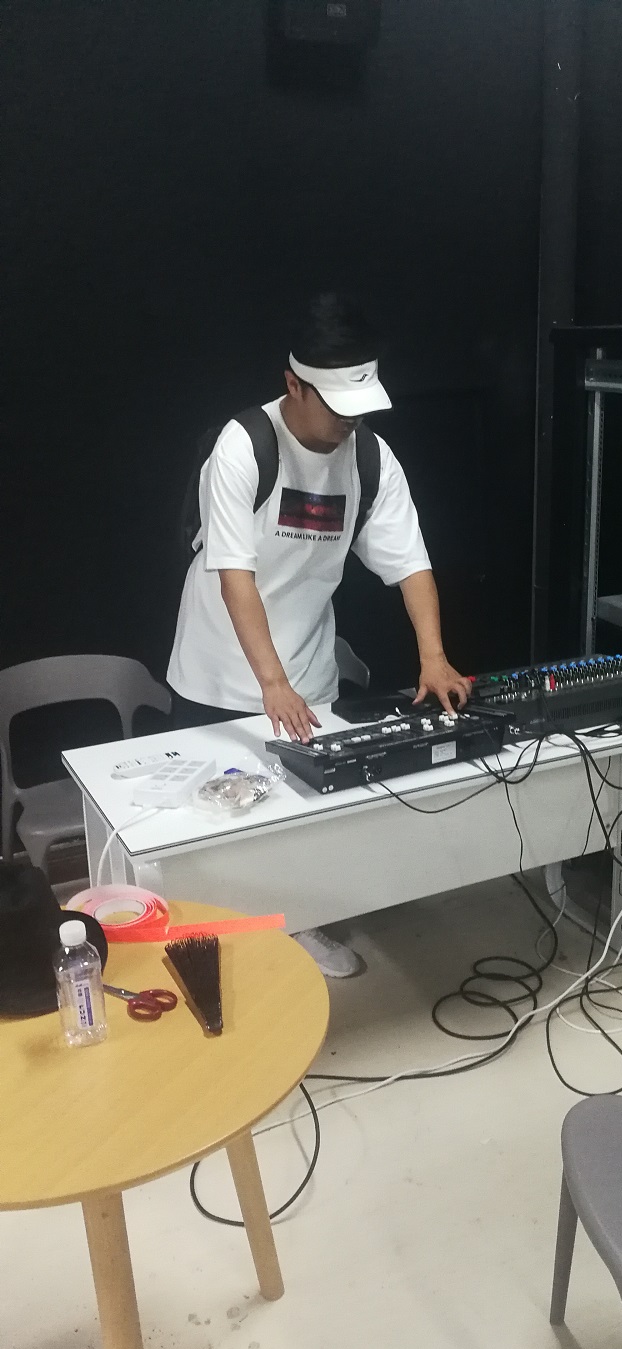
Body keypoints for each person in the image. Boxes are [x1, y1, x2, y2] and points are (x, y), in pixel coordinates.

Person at [167, 292, 471, 976]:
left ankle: (298, 927)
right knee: (206, 823)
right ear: (294, 384)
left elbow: (411, 564)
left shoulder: (371, 460)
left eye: (359, 409)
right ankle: (211, 950)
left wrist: (434, 656)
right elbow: (235, 577)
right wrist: (269, 683)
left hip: (307, 667)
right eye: (337, 407)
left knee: (303, 811)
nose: (348, 423)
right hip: (218, 669)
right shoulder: (243, 446)